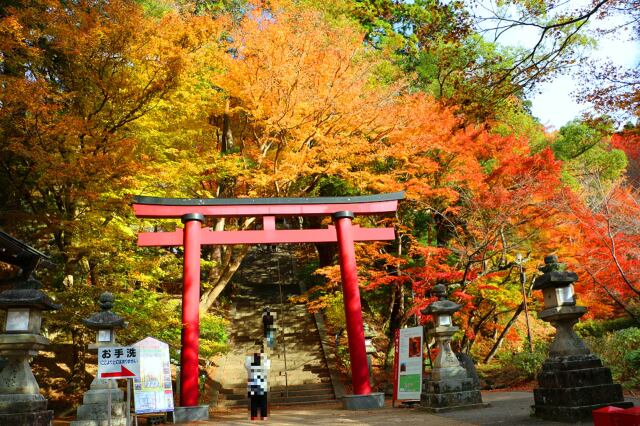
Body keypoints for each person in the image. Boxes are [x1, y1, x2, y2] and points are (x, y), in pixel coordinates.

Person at [245, 351, 270, 420]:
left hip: (253, 386)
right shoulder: (264, 367)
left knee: (253, 402)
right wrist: (263, 355)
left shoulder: (250, 367)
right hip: (262, 385)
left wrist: (249, 355)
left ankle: (254, 417)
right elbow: (267, 361)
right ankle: (264, 417)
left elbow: (246, 363)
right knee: (263, 403)